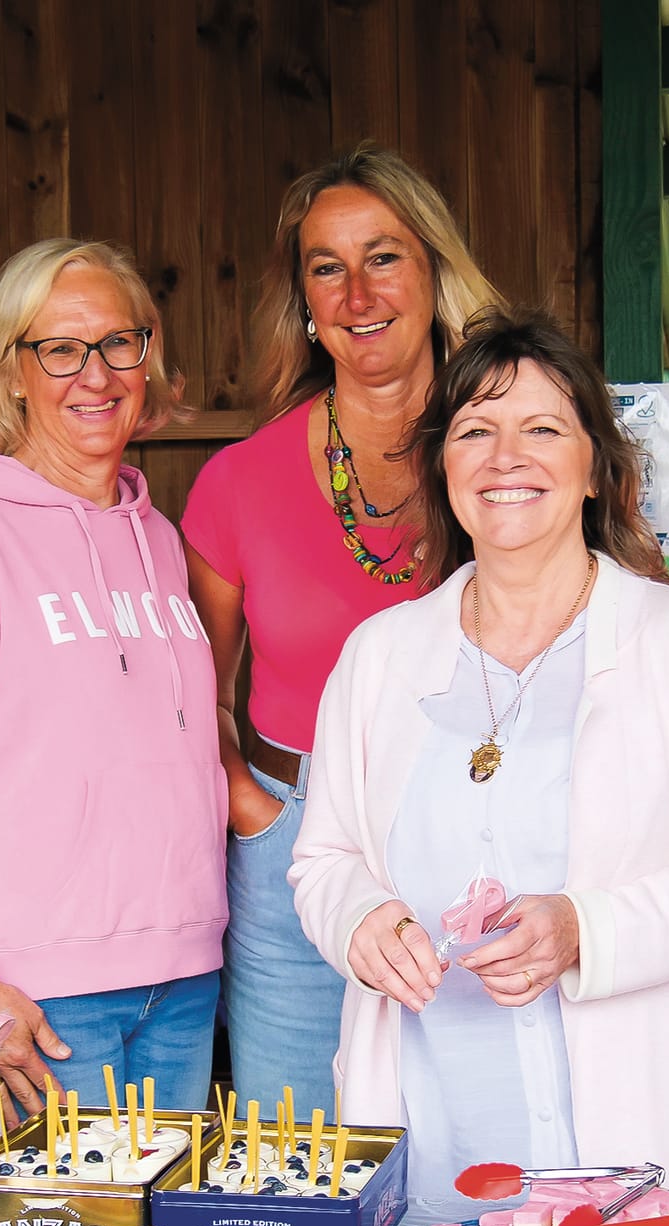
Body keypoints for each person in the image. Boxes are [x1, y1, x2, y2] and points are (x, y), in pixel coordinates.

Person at [288, 310, 669, 1226]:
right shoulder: (380, 656)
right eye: (474, 431)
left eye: (541, 428)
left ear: (596, 468)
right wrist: (359, 920)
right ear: (441, 466)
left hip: (638, 1127)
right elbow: (323, 861)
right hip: (437, 1123)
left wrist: (587, 930)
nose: (505, 456)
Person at [0, 239, 225, 1118]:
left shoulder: (160, 540)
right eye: (59, 349)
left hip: (183, 978)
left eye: (117, 344)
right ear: (12, 371)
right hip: (40, 995)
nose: (93, 375)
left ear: (148, 353)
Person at [184, 144, 501, 1117]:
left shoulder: (512, 440)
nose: (358, 290)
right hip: (297, 832)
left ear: (433, 269)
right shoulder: (237, 482)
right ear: (305, 300)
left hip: (486, 826)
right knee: (298, 1141)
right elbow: (192, 688)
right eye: (326, 265)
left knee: (486, 1134)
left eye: (382, 256)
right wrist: (253, 808)